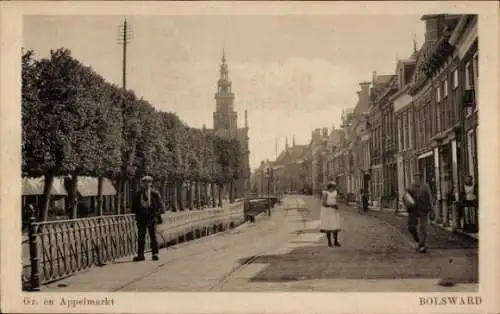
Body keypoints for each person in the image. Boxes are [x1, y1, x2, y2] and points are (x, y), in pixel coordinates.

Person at [132, 175, 164, 262]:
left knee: (153, 236)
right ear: (142, 184)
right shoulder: (138, 194)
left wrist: (155, 214)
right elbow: (133, 206)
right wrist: (138, 213)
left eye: (149, 182)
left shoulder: (155, 193)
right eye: (145, 182)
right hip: (141, 218)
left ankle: (155, 254)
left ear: (151, 184)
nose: (147, 184)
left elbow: (161, 206)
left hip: (151, 217)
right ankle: (140, 255)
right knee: (141, 237)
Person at [404, 172, 434, 253]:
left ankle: (422, 245)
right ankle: (417, 240)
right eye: (415, 177)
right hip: (413, 210)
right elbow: (405, 197)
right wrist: (407, 204)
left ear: (421, 178)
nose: (417, 179)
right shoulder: (410, 187)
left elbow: (430, 198)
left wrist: (432, 209)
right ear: (414, 178)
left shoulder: (425, 187)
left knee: (423, 228)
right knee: (411, 227)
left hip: (423, 210)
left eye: (419, 177)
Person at [319, 181, 341, 247]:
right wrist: (332, 206)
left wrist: (336, 205)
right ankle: (329, 242)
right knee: (328, 226)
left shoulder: (335, 193)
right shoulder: (325, 193)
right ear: (329, 187)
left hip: (334, 211)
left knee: (335, 225)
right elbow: (324, 203)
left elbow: (336, 200)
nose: (334, 189)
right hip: (327, 211)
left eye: (334, 187)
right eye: (333, 187)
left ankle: (335, 241)